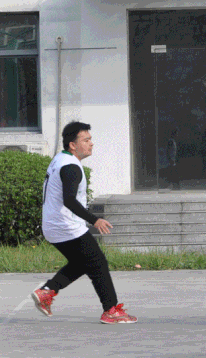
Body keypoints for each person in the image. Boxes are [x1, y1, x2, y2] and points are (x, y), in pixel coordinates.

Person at [31, 122, 137, 324]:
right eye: (86, 140)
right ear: (73, 145)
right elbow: (69, 200)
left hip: (54, 226)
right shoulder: (71, 167)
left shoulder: (61, 159)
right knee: (98, 263)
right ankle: (111, 310)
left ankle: (47, 291)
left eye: (90, 139)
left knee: (83, 263)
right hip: (66, 226)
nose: (91, 143)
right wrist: (95, 220)